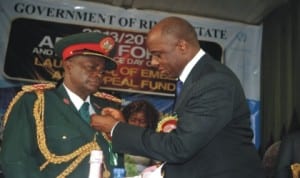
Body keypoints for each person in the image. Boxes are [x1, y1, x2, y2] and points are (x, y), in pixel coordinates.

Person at [90, 16, 265, 178]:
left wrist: (116, 129)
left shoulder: (213, 81)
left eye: (158, 54)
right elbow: (185, 137)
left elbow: (179, 147)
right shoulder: (193, 80)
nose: (153, 62)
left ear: (182, 46)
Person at [0, 32, 124, 178]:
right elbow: (16, 162)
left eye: (102, 71)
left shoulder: (109, 109)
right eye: (92, 67)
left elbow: (118, 162)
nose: (99, 75)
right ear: (68, 65)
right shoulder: (35, 103)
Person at [121, 100, 160, 177]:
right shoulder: (117, 139)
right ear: (126, 120)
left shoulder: (151, 143)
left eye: (142, 122)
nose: (137, 124)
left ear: (149, 124)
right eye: (133, 120)